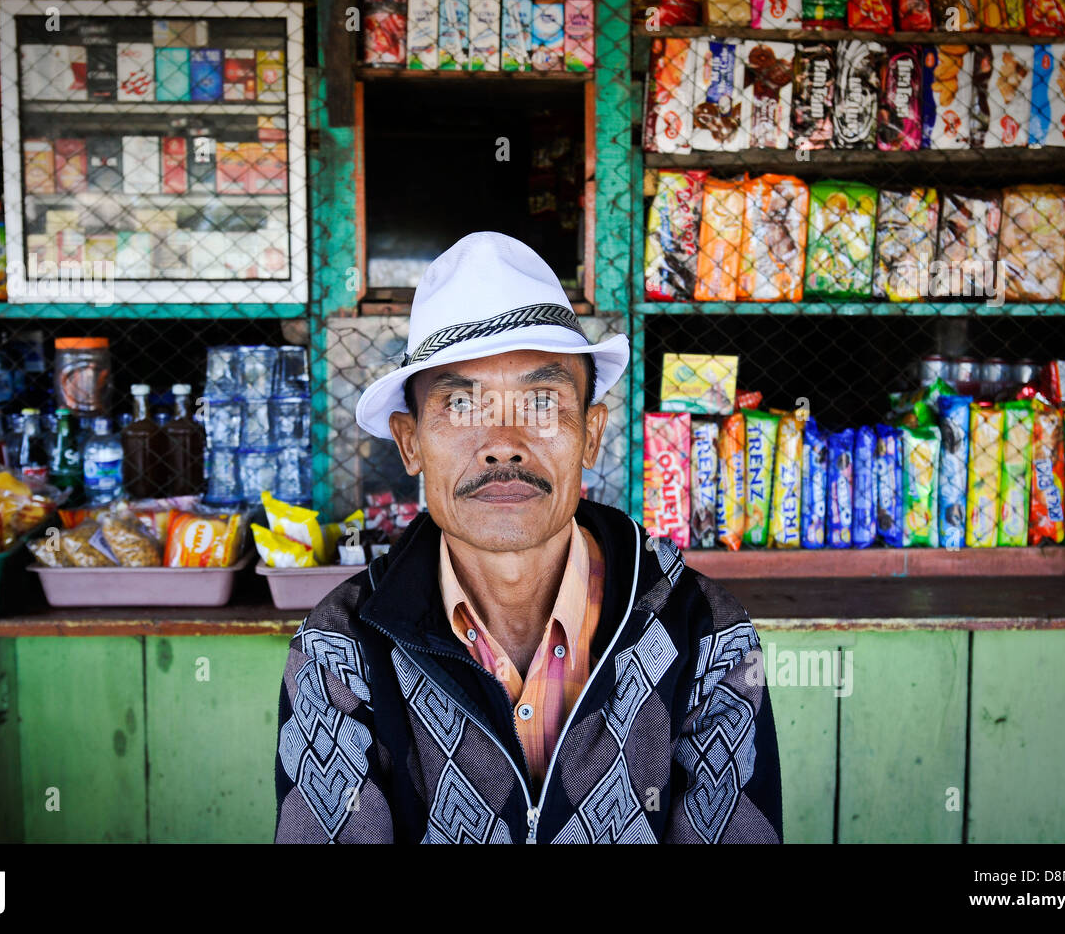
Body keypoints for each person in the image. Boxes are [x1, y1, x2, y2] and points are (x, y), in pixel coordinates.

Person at [274, 232, 782, 843]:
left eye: (541, 401)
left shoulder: (703, 631)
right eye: (460, 405)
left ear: (591, 434)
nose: (503, 443)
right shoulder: (340, 647)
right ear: (410, 443)